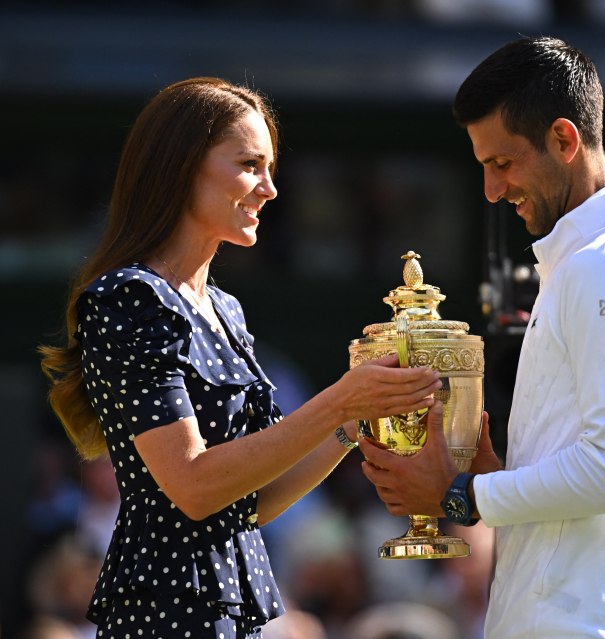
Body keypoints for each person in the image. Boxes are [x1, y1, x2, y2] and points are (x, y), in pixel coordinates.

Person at [37, 77, 442, 638]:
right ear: (181, 167)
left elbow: (255, 501)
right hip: (165, 614)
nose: (270, 189)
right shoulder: (129, 297)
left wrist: (353, 420)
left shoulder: (225, 308)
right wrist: (336, 402)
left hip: (237, 607)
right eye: (250, 164)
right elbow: (195, 486)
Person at [359, 36, 605, 637]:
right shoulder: (600, 260)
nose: (492, 191)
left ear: (565, 140)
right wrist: (499, 474)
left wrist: (463, 494)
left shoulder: (604, 266)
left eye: (503, 164)